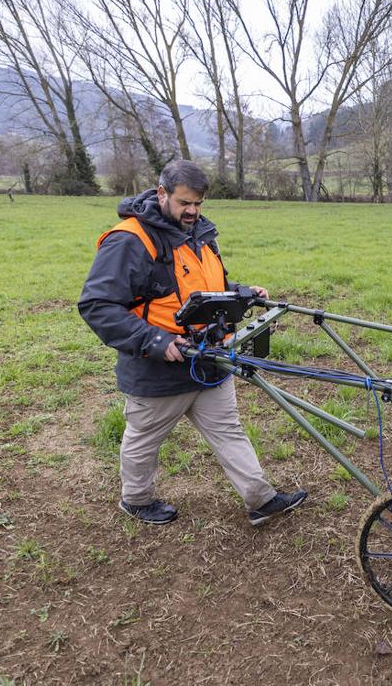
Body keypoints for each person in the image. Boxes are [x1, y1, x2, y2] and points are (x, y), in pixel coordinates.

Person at [78, 160, 306, 526]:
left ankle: (260, 499)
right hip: (158, 366)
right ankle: (136, 500)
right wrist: (152, 340)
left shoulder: (200, 233)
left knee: (229, 428)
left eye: (198, 204)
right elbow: (96, 305)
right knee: (144, 438)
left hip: (208, 359)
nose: (193, 211)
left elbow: (203, 290)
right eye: (185, 203)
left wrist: (241, 293)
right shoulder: (129, 240)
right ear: (162, 193)